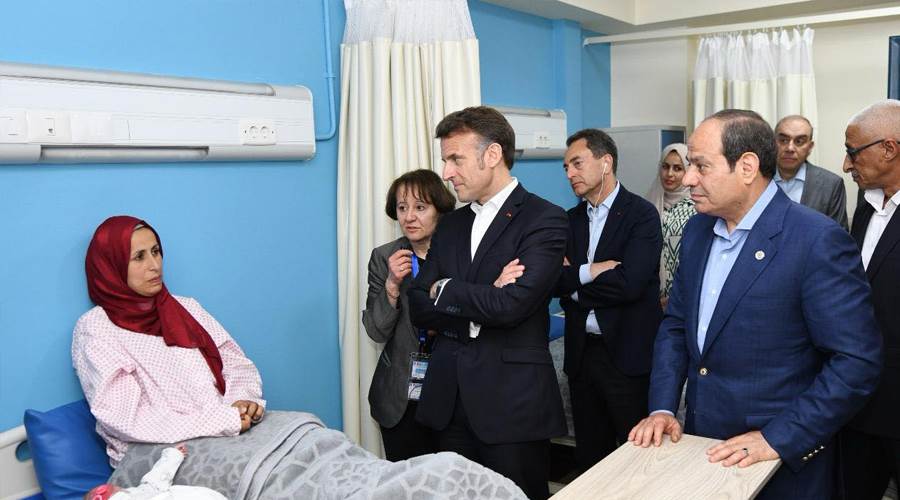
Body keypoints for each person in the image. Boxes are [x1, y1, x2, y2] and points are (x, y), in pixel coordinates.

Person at [628, 109, 882, 499]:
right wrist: (662, 408)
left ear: (747, 167)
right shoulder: (697, 230)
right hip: (700, 447)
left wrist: (778, 437)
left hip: (779, 462)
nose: (689, 178)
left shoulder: (816, 240)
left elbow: (856, 362)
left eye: (701, 166)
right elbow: (676, 325)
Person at [408, 106, 568, 499]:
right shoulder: (451, 225)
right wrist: (486, 294)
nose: (446, 172)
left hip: (511, 405)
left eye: (455, 159)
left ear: (492, 155)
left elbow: (513, 305)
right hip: (448, 402)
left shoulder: (545, 219)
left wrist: (446, 289)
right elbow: (417, 305)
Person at [72, 215, 265, 466]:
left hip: (229, 434)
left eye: (156, 252)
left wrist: (243, 402)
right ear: (112, 266)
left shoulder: (187, 308)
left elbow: (235, 363)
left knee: (309, 440)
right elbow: (125, 418)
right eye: (139, 257)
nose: (154, 265)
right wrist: (222, 420)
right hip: (160, 457)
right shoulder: (97, 328)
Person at [556, 128, 663, 473]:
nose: (570, 173)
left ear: (606, 163)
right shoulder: (568, 221)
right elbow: (553, 281)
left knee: (637, 460)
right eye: (566, 167)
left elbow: (631, 284)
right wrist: (593, 271)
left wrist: (575, 285)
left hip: (626, 355)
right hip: (582, 354)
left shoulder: (641, 214)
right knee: (591, 459)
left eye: (577, 163)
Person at [362, 169, 455, 461]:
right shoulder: (384, 257)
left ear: (439, 209)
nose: (409, 217)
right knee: (405, 479)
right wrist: (391, 285)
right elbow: (376, 331)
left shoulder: (459, 253)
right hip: (400, 394)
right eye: (402, 208)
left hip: (453, 389)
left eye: (420, 207)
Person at [838, 99, 900, 500]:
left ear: (889, 149)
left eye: (853, 152)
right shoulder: (865, 207)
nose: (846, 165)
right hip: (859, 400)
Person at [774, 115, 849, 230]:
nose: (790, 148)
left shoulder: (831, 185)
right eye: (783, 140)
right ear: (773, 143)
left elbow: (838, 235)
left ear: (810, 147)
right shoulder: (757, 179)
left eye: (799, 141)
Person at [645, 143, 696, 308]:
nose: (669, 174)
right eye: (665, 167)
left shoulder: (697, 208)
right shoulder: (649, 204)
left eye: (678, 168)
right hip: (651, 298)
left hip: (685, 296)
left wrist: (675, 297)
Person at [85, 445, 226, 500]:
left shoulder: (141, 491)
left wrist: (174, 455)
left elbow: (157, 477)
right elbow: (157, 477)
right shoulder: (144, 489)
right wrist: (174, 454)